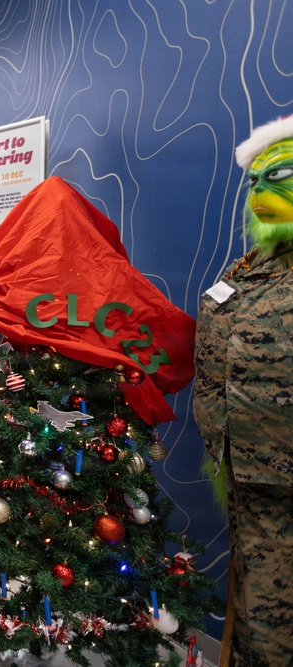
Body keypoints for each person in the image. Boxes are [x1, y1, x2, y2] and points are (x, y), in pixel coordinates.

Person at [193, 116, 293, 666]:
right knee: (258, 616)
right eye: (253, 181)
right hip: (249, 479)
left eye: (277, 176)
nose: (259, 192)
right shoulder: (246, 270)